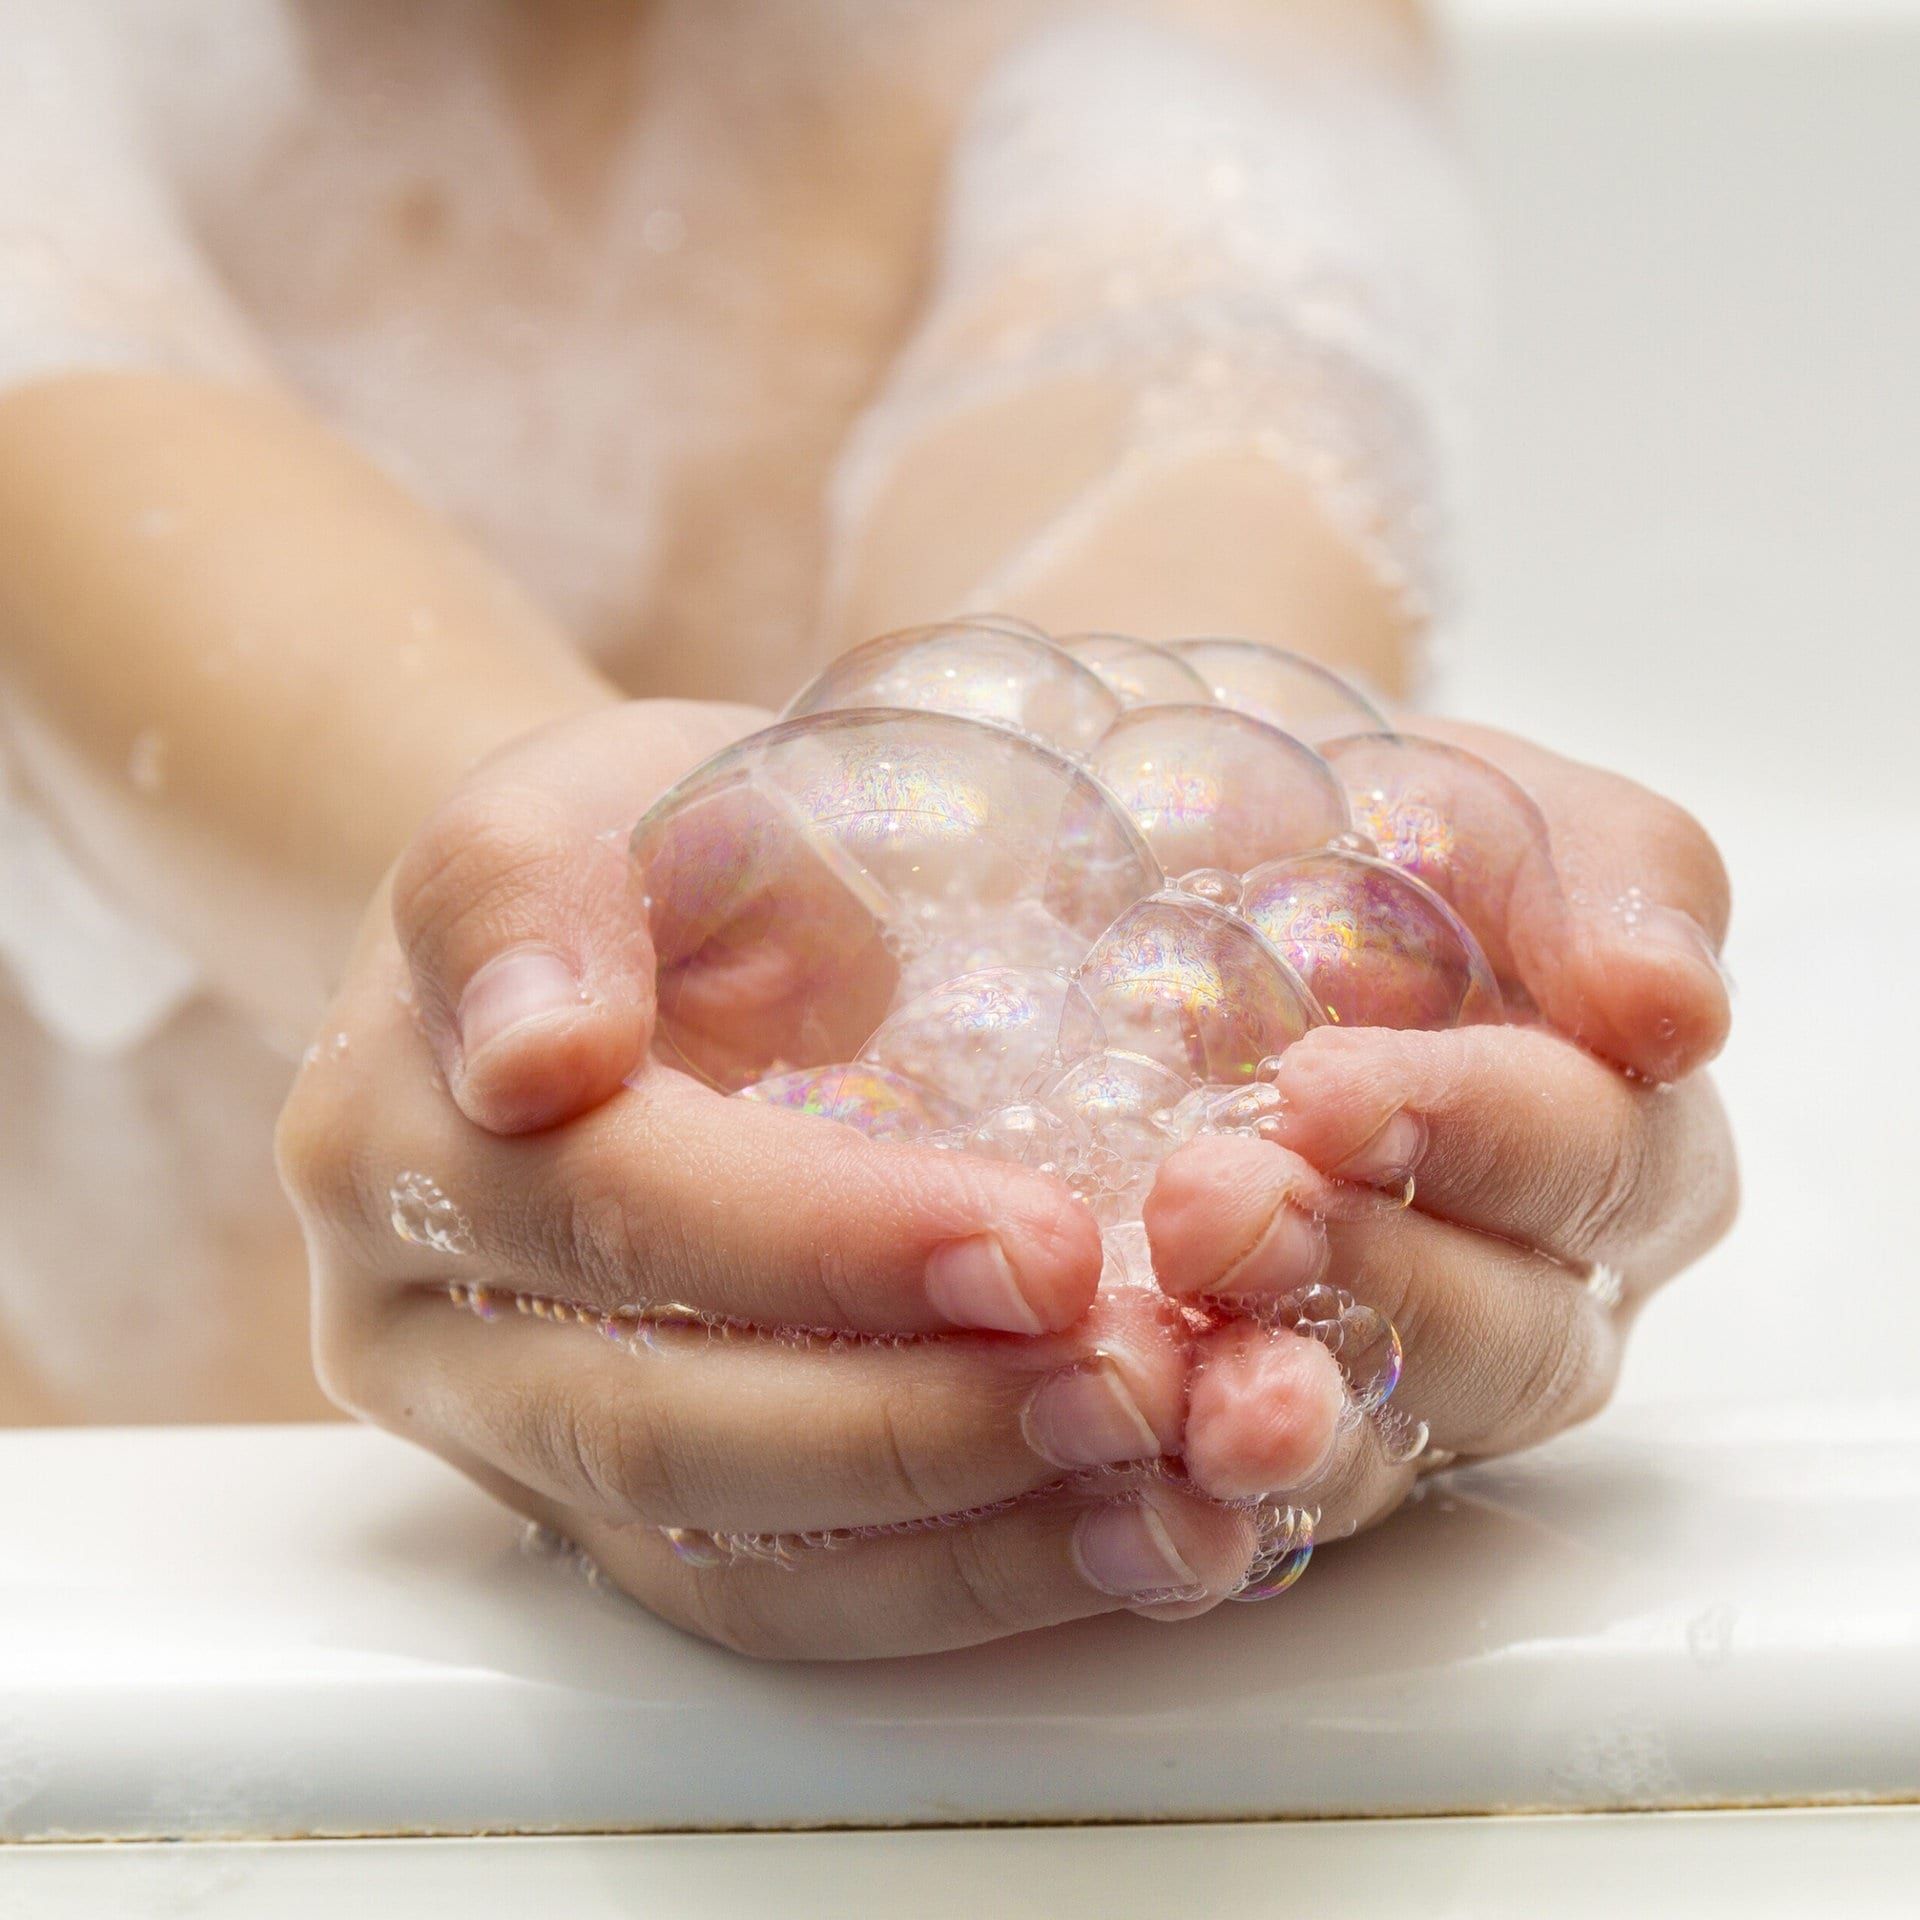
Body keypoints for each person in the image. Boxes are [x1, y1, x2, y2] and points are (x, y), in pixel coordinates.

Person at [0, 0, 1734, 1654]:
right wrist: (540, 929)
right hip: (148, 1576)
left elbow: (1180, 388)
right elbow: (92, 476)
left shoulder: (1155, 59)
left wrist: (1213, 848)